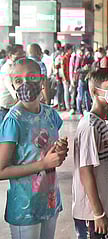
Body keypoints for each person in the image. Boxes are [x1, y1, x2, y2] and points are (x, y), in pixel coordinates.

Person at [0, 58, 69, 239]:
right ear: (13, 85)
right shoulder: (14, 121)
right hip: (25, 206)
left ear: (42, 80)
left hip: (49, 199)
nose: (25, 84)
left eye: (31, 78)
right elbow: (1, 170)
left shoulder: (51, 114)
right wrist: (43, 164)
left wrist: (59, 151)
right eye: (18, 80)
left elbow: (45, 149)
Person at [72, 68, 108, 239]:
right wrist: (98, 213)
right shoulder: (90, 126)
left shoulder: (100, 122)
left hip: (103, 203)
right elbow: (85, 170)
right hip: (92, 211)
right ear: (95, 91)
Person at [0, 44, 24, 119]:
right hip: (7, 108)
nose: (21, 58)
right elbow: (13, 90)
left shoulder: (17, 66)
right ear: (10, 55)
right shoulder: (7, 69)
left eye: (22, 55)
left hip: (15, 106)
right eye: (18, 56)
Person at [75, 47, 94, 115]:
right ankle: (79, 110)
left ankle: (88, 110)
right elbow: (76, 70)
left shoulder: (91, 59)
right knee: (80, 96)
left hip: (88, 79)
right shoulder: (79, 59)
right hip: (82, 79)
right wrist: (84, 68)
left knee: (88, 96)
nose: (88, 54)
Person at [62, 44, 73, 110]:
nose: (72, 50)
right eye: (71, 49)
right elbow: (63, 70)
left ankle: (71, 105)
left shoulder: (71, 57)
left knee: (71, 92)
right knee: (66, 92)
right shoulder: (64, 58)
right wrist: (65, 79)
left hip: (71, 77)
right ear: (68, 50)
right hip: (66, 78)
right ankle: (67, 106)